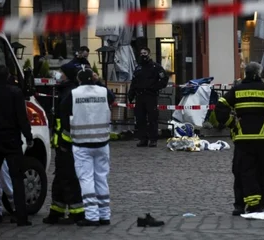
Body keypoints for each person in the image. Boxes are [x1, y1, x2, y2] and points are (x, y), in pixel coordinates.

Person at [214, 62, 264, 213]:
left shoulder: (236, 90)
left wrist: (232, 124)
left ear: (245, 74)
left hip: (244, 140)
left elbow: (220, 108)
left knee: (247, 171)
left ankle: (253, 204)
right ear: (259, 73)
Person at [60, 68, 115, 226]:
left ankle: (91, 216)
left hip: (81, 143)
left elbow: (63, 113)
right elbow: (111, 99)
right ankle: (105, 215)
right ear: (93, 77)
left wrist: (69, 134)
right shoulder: (103, 91)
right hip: (102, 142)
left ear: (78, 80)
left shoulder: (74, 93)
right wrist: (97, 81)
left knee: (86, 179)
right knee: (101, 178)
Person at [0, 65, 33, 226]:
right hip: (12, 140)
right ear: (7, 76)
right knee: (17, 179)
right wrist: (28, 136)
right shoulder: (15, 92)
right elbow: (22, 117)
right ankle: (21, 217)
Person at [42, 63, 85, 224]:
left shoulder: (71, 93)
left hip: (67, 145)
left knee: (69, 179)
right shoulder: (66, 91)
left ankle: (77, 212)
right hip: (62, 144)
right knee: (60, 178)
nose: (59, 74)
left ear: (67, 75)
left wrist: (65, 143)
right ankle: (57, 211)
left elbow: (68, 122)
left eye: (61, 72)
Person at [128, 47, 169, 148]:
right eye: (141, 53)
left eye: (145, 53)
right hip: (140, 96)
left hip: (151, 96)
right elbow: (134, 82)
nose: (143, 55)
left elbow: (164, 79)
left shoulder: (156, 67)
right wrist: (131, 94)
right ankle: (143, 139)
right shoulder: (138, 68)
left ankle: (153, 139)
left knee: (152, 118)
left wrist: (155, 87)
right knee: (140, 118)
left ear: (149, 54)